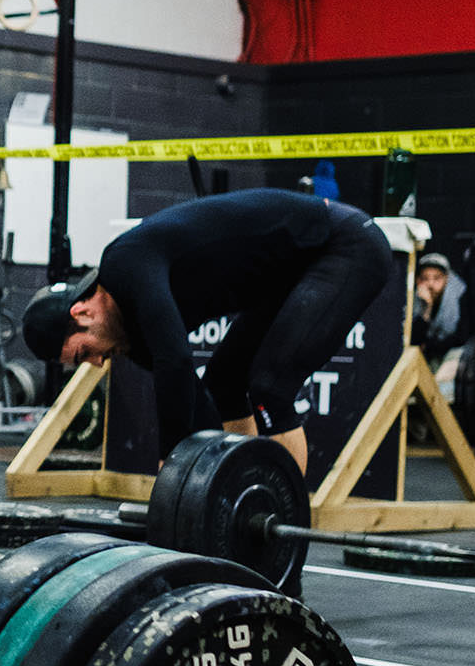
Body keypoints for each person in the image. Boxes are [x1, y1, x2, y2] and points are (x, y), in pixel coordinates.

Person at [22, 187, 394, 473]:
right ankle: (244, 493)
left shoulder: (124, 263)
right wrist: (199, 484)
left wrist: (171, 460)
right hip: (288, 277)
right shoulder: (132, 338)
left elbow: (176, 358)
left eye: (82, 352)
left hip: (344, 245)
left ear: (82, 312)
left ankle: (284, 514)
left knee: (270, 387)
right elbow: (196, 401)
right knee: (224, 385)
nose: (97, 363)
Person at [412, 251, 470, 394]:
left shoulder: (459, 296)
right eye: (425, 278)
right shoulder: (415, 300)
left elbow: (462, 337)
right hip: (427, 358)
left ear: (446, 279)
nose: (430, 284)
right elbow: (414, 340)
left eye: (437, 278)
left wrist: (430, 346)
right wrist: (427, 308)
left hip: (449, 355)